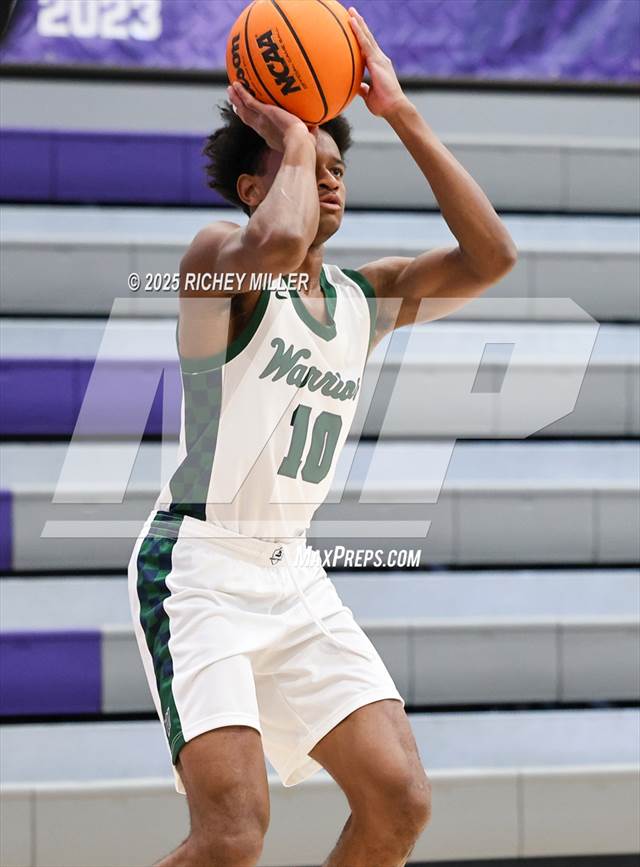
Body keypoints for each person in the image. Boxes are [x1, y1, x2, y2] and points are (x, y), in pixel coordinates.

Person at [127, 8, 517, 866]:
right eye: (311, 162)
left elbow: (492, 257)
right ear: (251, 186)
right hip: (197, 567)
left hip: (290, 569)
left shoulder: (362, 300)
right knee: (232, 836)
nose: (330, 176)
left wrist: (400, 113)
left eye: (340, 165)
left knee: (400, 798)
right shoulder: (215, 261)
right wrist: (295, 132)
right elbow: (277, 243)